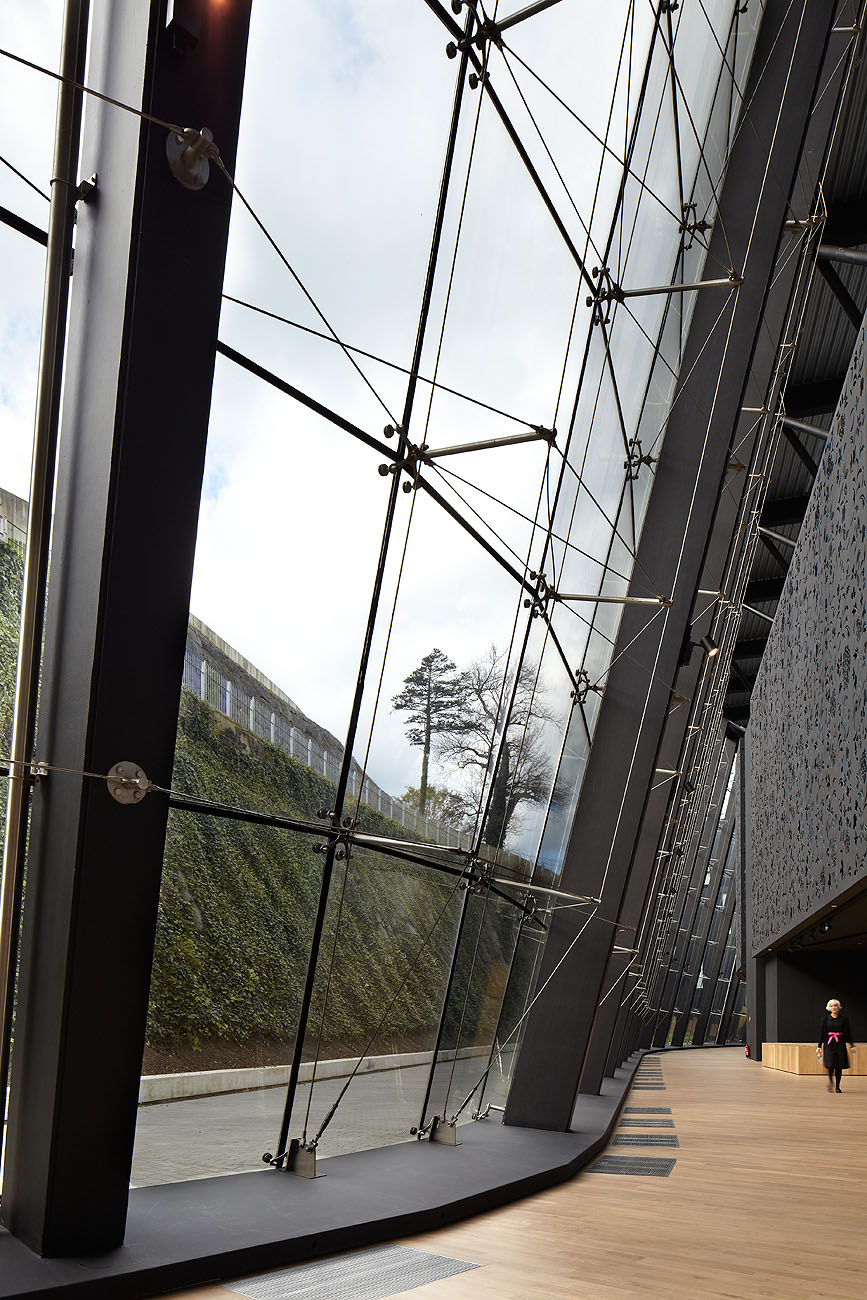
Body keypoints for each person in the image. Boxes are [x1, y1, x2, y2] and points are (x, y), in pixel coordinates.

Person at [817, 999, 854, 1092]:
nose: (834, 1007)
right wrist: (819, 1046)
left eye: (836, 1005)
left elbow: (848, 1032)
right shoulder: (825, 1020)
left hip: (840, 1044)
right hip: (829, 1044)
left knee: (839, 1065)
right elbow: (822, 1033)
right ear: (829, 1008)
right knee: (830, 1065)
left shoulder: (844, 1019)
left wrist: (851, 1044)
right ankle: (831, 1082)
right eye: (832, 1006)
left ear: (839, 1007)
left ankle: (837, 1086)